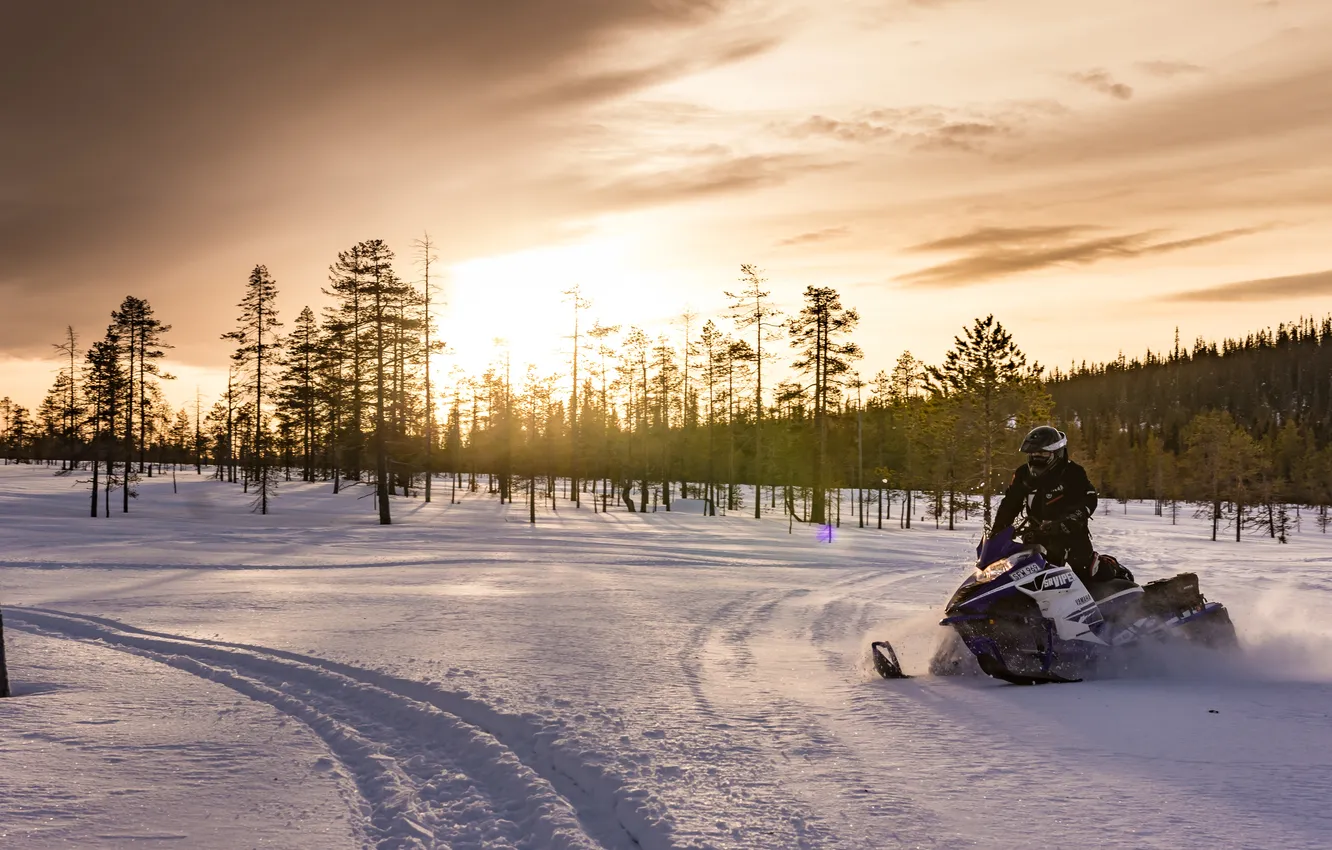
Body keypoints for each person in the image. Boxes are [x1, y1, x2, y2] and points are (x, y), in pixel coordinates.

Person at [992, 426, 1130, 584]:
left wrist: (1071, 519)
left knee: (1086, 572)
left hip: (1070, 532)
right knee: (1027, 575)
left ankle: (1113, 570)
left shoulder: (1073, 472)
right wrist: (998, 531)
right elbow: (1010, 502)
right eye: (1033, 454)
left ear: (1056, 453)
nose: (1037, 457)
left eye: (1042, 453)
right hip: (1037, 534)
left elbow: (1089, 498)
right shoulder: (1023, 474)